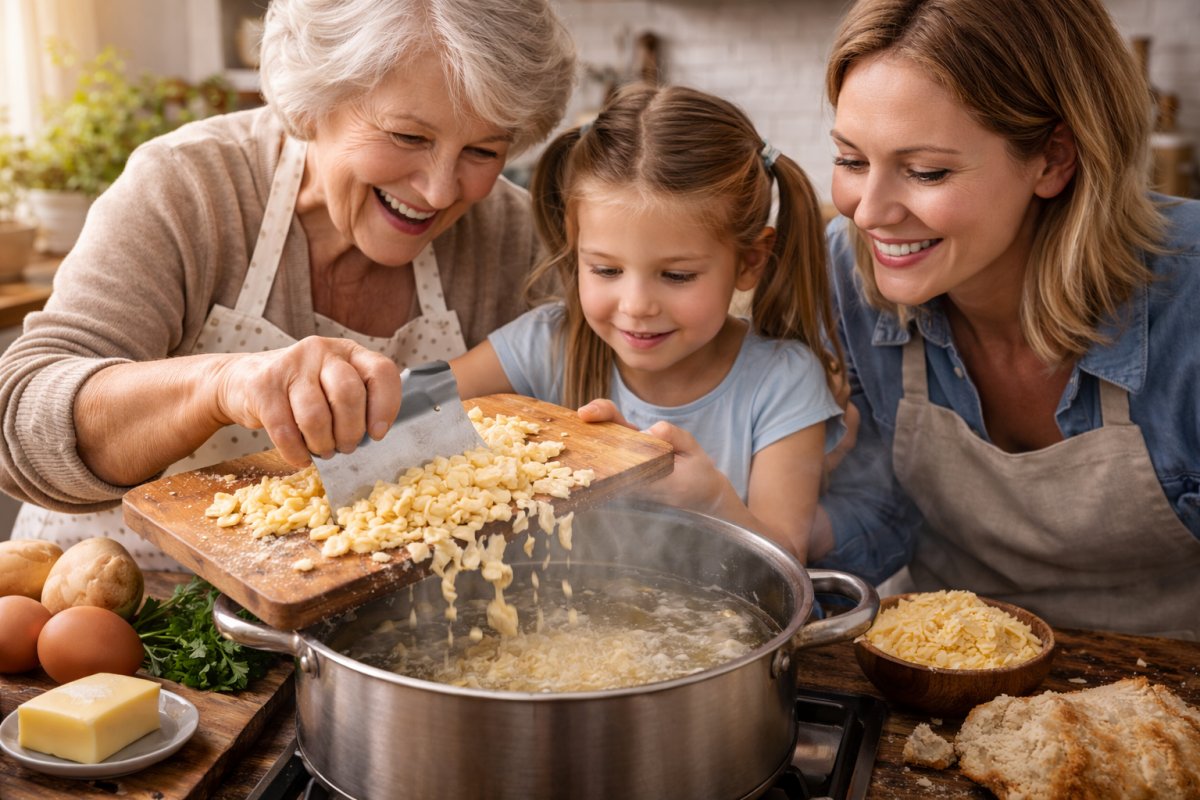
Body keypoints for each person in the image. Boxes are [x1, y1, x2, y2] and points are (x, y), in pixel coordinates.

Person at [0, 0, 576, 570]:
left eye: (482, 151)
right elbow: (20, 422)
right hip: (119, 604)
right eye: (407, 136)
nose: (439, 190)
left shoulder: (510, 235)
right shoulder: (188, 187)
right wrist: (224, 383)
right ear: (314, 102)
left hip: (351, 621)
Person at [808, 0, 1200, 639]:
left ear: (1052, 160)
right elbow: (880, 515)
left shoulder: (1191, 298)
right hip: (935, 673)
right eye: (852, 161)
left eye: (926, 171)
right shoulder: (844, 278)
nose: (869, 211)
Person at [451, 83, 845, 562]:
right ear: (575, 248)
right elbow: (411, 414)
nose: (636, 305)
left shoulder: (783, 382)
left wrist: (711, 499)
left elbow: (787, 561)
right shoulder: (547, 343)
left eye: (677, 275)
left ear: (750, 262)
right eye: (606, 270)